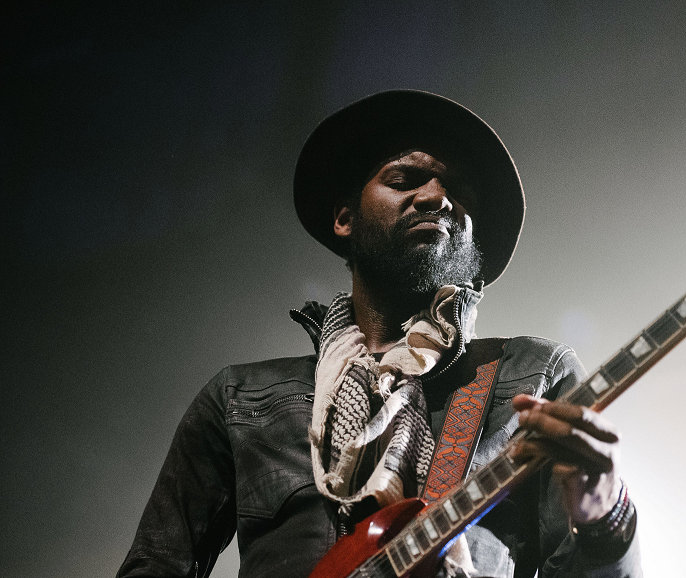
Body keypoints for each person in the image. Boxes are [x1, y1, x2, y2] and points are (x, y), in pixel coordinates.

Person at [118, 90, 642, 578]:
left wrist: (607, 518)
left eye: (459, 190)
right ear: (345, 218)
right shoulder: (240, 398)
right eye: (405, 179)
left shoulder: (532, 376)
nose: (438, 196)